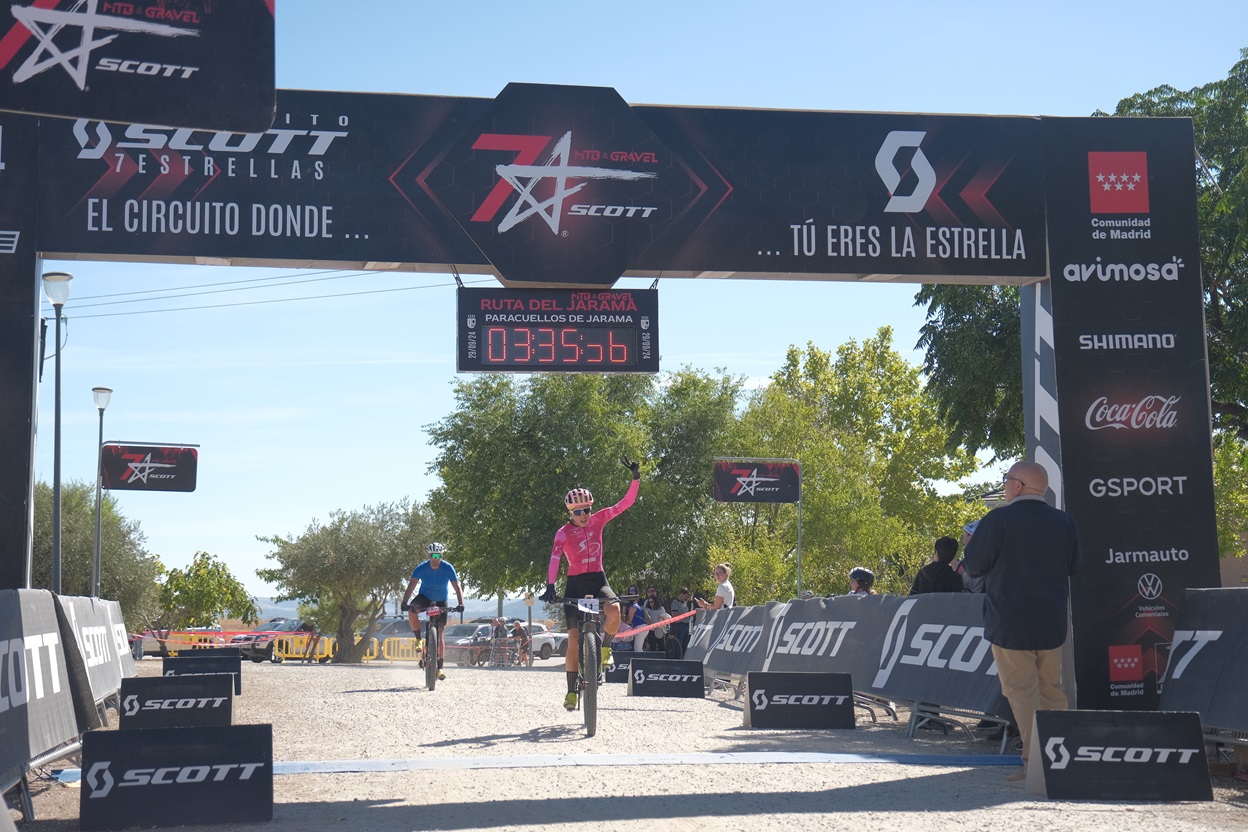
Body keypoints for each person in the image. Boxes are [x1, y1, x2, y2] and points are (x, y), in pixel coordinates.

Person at [963, 460, 1080, 784]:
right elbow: (1074, 566)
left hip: (1010, 620)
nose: (1004, 486)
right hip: (1052, 621)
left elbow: (973, 566)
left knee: (1022, 691)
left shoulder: (999, 518)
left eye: (1006, 480)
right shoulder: (1064, 522)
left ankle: (1037, 763)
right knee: (1052, 691)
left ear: (1017, 486)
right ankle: (1062, 759)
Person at [539, 457, 640, 711]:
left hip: (597, 579)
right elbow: (554, 558)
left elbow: (625, 503)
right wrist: (550, 585)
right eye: (578, 512)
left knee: (614, 611)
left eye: (587, 510)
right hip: (574, 583)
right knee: (573, 639)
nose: (584, 516)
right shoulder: (562, 532)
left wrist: (635, 478)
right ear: (570, 513)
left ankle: (605, 650)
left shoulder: (599, 520)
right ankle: (571, 691)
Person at [399, 542, 465, 681]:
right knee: (412, 611)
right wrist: (404, 602)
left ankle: (440, 667)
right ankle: (418, 639)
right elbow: (412, 584)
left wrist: (461, 603)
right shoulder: (421, 567)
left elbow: (457, 586)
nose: (435, 559)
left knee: (440, 634)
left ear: (441, 556)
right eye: (432, 556)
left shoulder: (448, 568)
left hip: (441, 600)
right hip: (424, 598)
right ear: (428, 556)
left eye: (437, 555)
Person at [954, 521, 985, 593]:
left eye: (964, 537)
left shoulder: (980, 562)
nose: (963, 542)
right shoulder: (964, 562)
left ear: (971, 536)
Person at [641, 588, 672, 653]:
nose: (650, 604)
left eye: (652, 602)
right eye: (649, 602)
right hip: (651, 630)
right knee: (653, 647)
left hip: (659, 630)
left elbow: (665, 617)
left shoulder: (661, 609)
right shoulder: (648, 609)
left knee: (662, 647)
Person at [668, 588, 693, 654]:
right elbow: (674, 615)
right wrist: (684, 615)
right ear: (681, 594)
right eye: (685, 596)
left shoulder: (684, 603)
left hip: (686, 626)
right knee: (679, 644)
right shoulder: (675, 602)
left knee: (685, 644)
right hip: (679, 626)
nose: (686, 598)